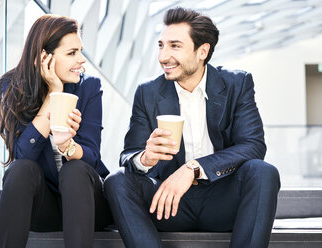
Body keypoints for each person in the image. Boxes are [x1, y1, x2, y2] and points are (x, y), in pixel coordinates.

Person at [104, 6, 280, 248]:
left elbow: (253, 145)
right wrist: (145, 158)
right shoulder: (148, 92)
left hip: (222, 201)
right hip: (168, 204)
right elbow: (128, 156)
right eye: (161, 45)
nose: (163, 56)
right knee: (117, 180)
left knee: (263, 171)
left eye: (175, 46)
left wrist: (193, 169)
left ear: (202, 51)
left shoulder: (237, 84)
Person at [0, 14, 112, 248]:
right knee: (20, 170)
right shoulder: (12, 87)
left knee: (75, 170)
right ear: (44, 57)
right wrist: (53, 95)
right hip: (44, 207)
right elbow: (23, 154)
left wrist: (68, 145)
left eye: (80, 51)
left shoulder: (88, 87)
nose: (81, 60)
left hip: (87, 202)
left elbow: (91, 155)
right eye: (71, 53)